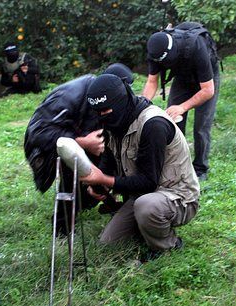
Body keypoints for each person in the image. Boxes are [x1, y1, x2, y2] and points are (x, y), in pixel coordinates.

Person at [80, 74, 200, 261]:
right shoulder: (115, 121)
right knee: (108, 242)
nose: (101, 117)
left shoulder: (153, 125)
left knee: (146, 207)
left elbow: (148, 182)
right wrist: (97, 184)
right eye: (97, 112)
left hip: (177, 196)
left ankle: (168, 246)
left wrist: (103, 179)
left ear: (121, 102)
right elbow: (109, 160)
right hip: (141, 195)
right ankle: (146, 225)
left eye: (105, 111)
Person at [24, 64, 134, 235]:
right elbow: (38, 134)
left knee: (109, 158)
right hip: (45, 148)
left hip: (76, 137)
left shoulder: (101, 98)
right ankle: (62, 227)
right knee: (75, 163)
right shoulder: (69, 96)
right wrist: (82, 142)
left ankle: (109, 204)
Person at [142, 22, 220, 181]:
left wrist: (182, 107)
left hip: (206, 80)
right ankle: (176, 164)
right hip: (182, 78)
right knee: (173, 123)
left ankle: (200, 169)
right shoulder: (155, 50)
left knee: (201, 126)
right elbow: (152, 82)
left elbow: (208, 90)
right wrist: (141, 106)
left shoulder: (196, 46)